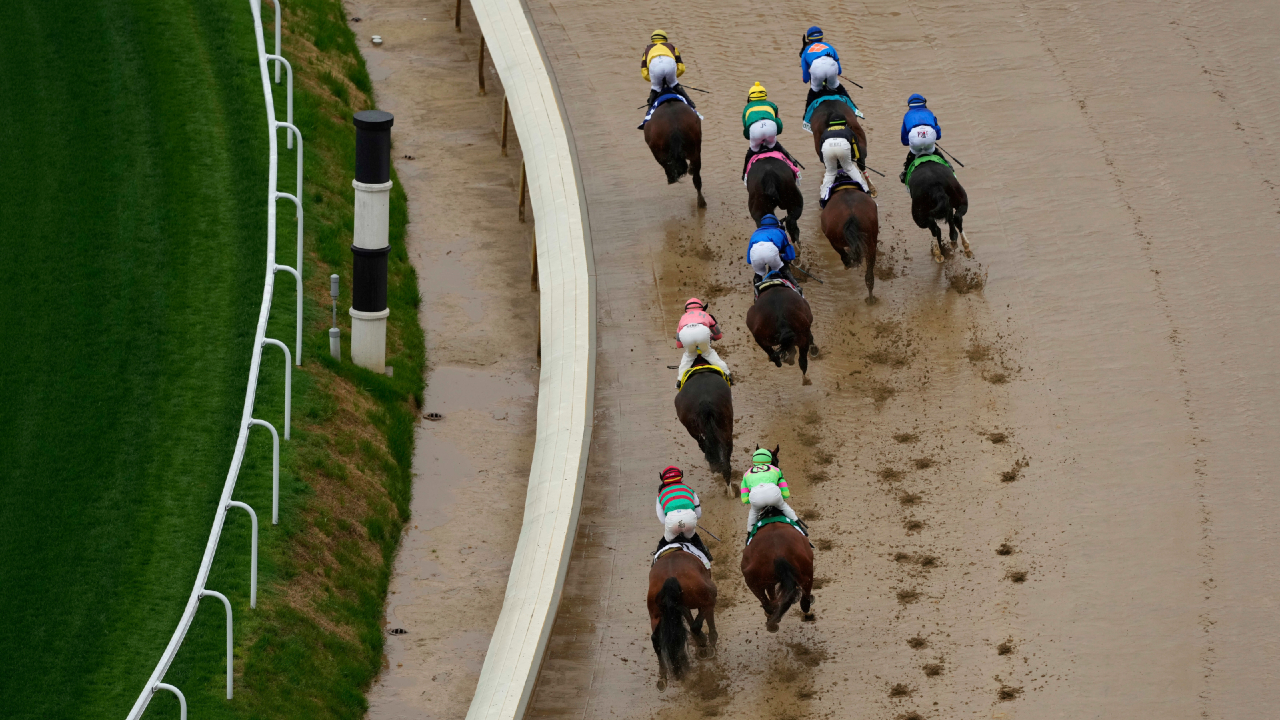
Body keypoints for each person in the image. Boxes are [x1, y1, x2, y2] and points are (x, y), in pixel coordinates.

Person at [655, 465, 713, 561]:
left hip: (672, 523)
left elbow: (663, 521)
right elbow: (698, 515)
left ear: (662, 479)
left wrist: (676, 522)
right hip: (689, 521)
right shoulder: (689, 490)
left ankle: (655, 562)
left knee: (662, 543)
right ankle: (706, 559)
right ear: (681, 476)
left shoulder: (660, 495)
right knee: (695, 539)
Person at [741, 448, 799, 534]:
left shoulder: (746, 474)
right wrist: (778, 497)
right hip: (774, 495)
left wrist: (757, 499)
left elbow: (745, 500)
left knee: (753, 512)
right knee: (783, 506)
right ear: (770, 459)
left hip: (756, 498)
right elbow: (786, 494)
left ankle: (749, 534)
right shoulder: (776, 469)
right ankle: (799, 526)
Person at [675, 298, 730, 386]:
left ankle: (680, 381)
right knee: (708, 353)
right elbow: (718, 336)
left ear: (686, 310)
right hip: (703, 332)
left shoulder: (683, 318)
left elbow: (678, 344)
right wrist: (710, 337)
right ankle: (727, 374)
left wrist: (690, 345)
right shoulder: (706, 315)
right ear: (702, 308)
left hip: (685, 333)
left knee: (688, 356)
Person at [640, 30, 695, 109]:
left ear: (652, 39)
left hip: (655, 66)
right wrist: (671, 78)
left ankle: (649, 111)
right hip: (669, 63)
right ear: (665, 38)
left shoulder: (647, 50)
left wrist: (657, 80)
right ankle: (691, 104)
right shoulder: (671, 46)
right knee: (674, 84)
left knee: (655, 87)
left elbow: (645, 74)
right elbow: (681, 68)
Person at [818, 117, 868, 200]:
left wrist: (828, 162)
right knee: (850, 169)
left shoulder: (825, 132)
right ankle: (866, 190)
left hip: (827, 147)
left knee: (830, 173)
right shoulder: (849, 130)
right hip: (843, 145)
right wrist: (853, 158)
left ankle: (823, 196)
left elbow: (821, 156)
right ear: (845, 123)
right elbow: (856, 151)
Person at [747, 214, 799, 288]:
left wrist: (763, 260)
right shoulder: (780, 232)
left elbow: (749, 261)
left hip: (755, 254)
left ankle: (756, 292)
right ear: (777, 225)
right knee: (782, 268)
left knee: (758, 273)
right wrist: (782, 256)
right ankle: (797, 287)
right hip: (771, 252)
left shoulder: (755, 233)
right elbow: (791, 256)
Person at [899, 94, 942, 183]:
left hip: (914, 136)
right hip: (930, 134)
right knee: (935, 151)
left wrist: (910, 142)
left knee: (913, 153)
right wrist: (933, 137)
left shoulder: (907, 115)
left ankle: (905, 173)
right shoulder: (929, 112)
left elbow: (904, 139)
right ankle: (949, 167)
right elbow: (938, 133)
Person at [742, 82, 782, 152]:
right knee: (774, 146)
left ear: (750, 97)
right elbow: (778, 123)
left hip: (755, 130)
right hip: (770, 128)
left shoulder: (746, 108)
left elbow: (746, 128)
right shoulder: (771, 105)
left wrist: (749, 137)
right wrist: (775, 133)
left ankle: (752, 152)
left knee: (752, 150)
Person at [799, 26, 841, 92]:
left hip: (816, 69)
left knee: (814, 91)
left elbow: (806, 79)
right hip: (831, 66)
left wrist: (804, 78)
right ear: (822, 38)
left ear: (809, 41)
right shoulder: (830, 46)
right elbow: (839, 71)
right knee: (838, 88)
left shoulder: (805, 51)